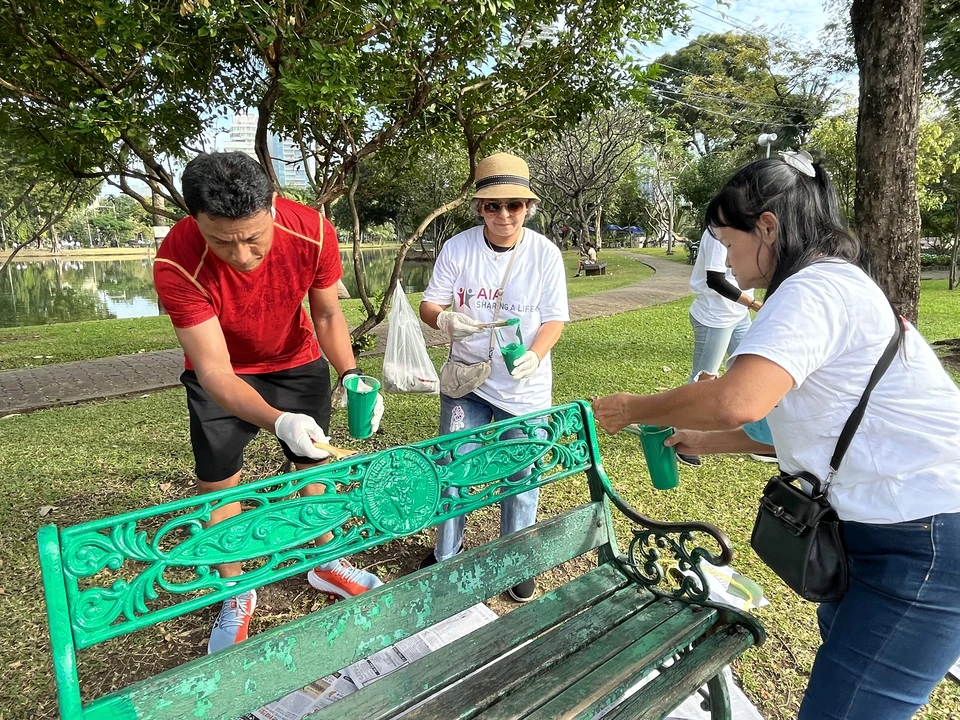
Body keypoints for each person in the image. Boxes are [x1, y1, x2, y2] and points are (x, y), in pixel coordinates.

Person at [593, 152, 960, 720]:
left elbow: (738, 399)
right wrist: (708, 440)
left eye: (725, 239)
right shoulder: (836, 285)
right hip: (885, 532)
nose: (723, 257)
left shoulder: (813, 288)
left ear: (767, 226)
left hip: (927, 538)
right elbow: (820, 428)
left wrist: (630, 408)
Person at [153, 152, 385, 654]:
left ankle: (326, 560)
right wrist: (277, 420)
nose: (241, 256)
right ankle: (236, 590)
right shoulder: (176, 261)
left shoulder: (314, 231)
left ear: (274, 208)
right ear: (195, 221)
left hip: (297, 360)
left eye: (254, 238)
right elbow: (213, 370)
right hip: (223, 375)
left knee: (311, 466)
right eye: (222, 241)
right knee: (218, 486)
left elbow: (325, 316)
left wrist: (351, 374)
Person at [419, 152, 569, 602]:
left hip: (523, 387)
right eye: (492, 205)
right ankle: (448, 551)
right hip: (467, 380)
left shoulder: (545, 253)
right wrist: (444, 321)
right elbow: (430, 305)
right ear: (479, 208)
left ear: (529, 207)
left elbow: (554, 319)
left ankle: (515, 560)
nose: (504, 214)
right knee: (453, 465)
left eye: (514, 205)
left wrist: (537, 356)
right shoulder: (458, 248)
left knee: (521, 473)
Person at [680, 228, 763, 466]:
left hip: (737, 315)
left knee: (751, 371)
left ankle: (758, 437)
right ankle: (684, 434)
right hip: (714, 317)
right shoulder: (718, 232)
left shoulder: (745, 227)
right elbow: (715, 280)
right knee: (704, 378)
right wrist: (755, 303)